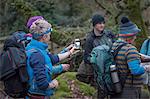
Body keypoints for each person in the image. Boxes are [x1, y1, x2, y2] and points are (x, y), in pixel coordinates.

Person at [26, 16, 75, 98]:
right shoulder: (37, 54)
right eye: (49, 35)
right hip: (37, 95)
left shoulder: (33, 47)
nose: (50, 37)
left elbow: (51, 59)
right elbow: (42, 84)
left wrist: (68, 52)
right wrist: (53, 84)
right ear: (44, 37)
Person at [76, 14, 115, 98]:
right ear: (94, 25)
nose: (102, 25)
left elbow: (115, 47)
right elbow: (86, 58)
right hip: (97, 73)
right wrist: (97, 60)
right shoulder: (90, 39)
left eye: (103, 23)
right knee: (101, 93)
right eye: (99, 23)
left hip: (112, 68)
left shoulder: (109, 34)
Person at [111, 17, 146, 99]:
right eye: (135, 35)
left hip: (117, 86)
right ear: (130, 36)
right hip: (130, 90)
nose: (136, 38)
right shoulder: (130, 49)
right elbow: (136, 70)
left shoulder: (114, 46)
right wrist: (146, 68)